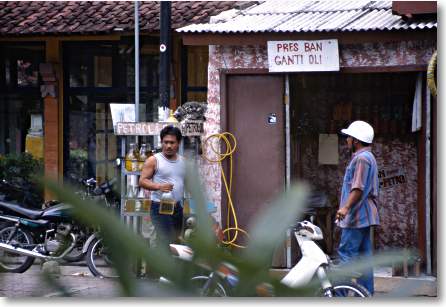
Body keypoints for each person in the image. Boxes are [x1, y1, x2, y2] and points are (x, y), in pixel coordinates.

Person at [335, 120, 380, 295]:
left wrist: (345, 208)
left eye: (348, 137)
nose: (346, 140)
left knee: (346, 256)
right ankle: (366, 295)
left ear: (356, 140)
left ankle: (339, 296)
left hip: (355, 216)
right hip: (364, 217)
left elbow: (358, 188)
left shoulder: (362, 159)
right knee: (364, 259)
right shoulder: (368, 157)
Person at [139, 125, 186, 248]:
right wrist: (159, 187)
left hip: (177, 207)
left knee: (176, 242)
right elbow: (142, 181)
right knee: (166, 241)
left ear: (179, 143)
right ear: (161, 142)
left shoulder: (183, 161)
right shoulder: (154, 160)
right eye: (165, 142)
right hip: (159, 207)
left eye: (172, 142)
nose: (168, 146)